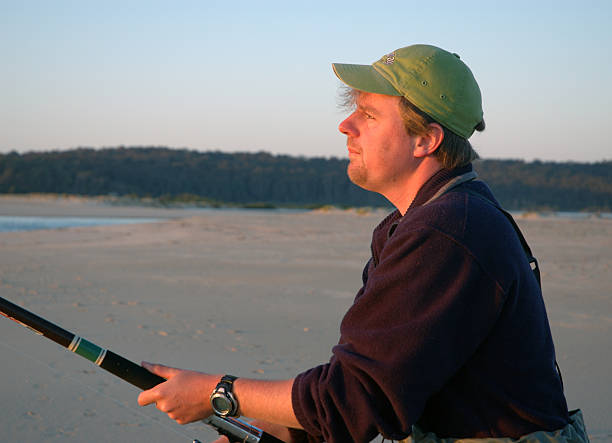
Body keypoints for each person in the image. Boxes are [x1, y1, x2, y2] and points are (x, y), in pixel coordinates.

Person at [137, 44, 588, 442]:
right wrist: (274, 427)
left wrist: (219, 394)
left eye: (369, 115)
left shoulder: (447, 231)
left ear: (425, 140)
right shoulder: (424, 221)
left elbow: (351, 399)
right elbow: (373, 387)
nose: (346, 125)